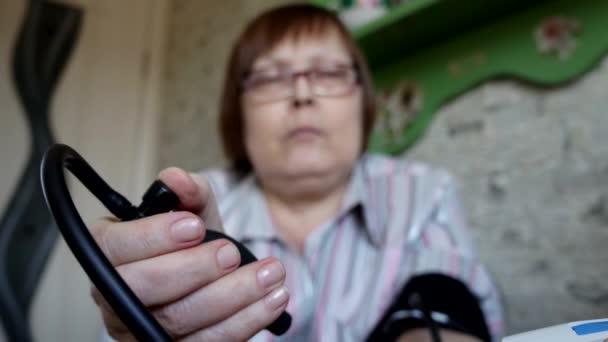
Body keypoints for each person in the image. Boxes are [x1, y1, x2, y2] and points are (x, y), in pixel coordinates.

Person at [91, 4, 504, 341]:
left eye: (329, 73)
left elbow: (446, 305)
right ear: (240, 114)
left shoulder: (421, 193)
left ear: (363, 101)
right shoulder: (192, 208)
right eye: (271, 77)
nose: (302, 94)